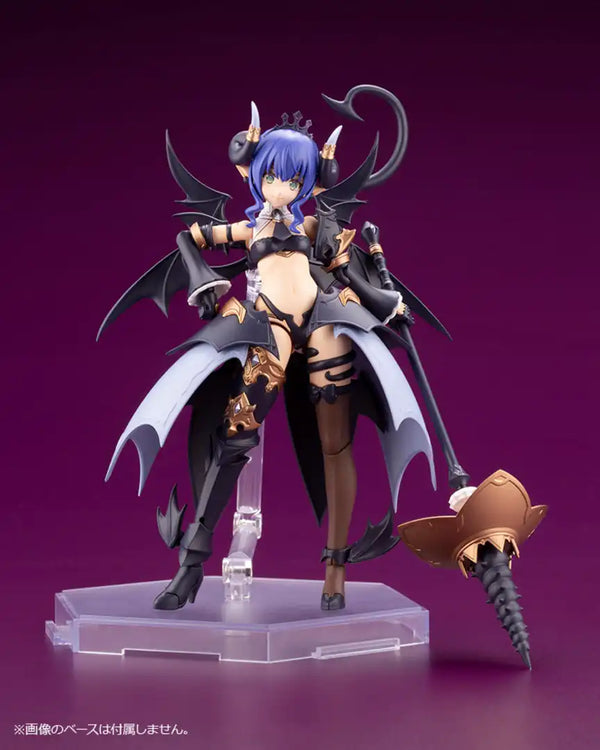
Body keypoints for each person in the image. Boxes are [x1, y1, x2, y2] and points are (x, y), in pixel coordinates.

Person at [101, 87, 441, 612]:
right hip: (271, 324)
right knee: (236, 434)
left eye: (294, 180)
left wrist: (383, 299)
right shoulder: (248, 227)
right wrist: (203, 280)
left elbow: (347, 270)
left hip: (324, 319)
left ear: (308, 183)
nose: (282, 188)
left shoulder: (316, 225)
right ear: (255, 173)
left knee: (337, 444)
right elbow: (189, 238)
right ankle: (193, 562)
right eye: (273, 177)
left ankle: (335, 569)